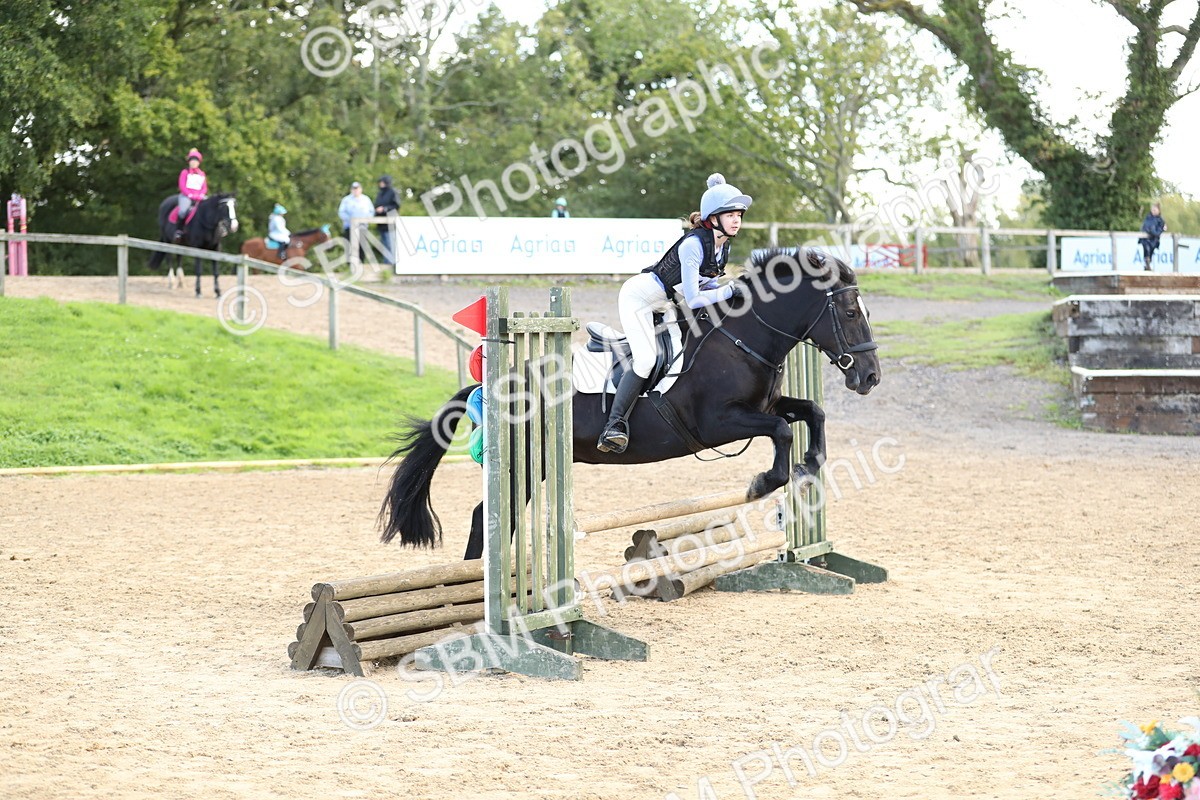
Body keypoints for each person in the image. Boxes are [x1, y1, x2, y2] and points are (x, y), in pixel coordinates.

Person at [596, 173, 750, 454]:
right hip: (638, 300)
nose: (736, 220)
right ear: (713, 218)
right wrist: (729, 290)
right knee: (646, 359)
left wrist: (733, 288)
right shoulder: (693, 245)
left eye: (739, 214)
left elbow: (709, 285)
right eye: (730, 215)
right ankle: (614, 425)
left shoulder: (722, 247)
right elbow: (694, 298)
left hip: (666, 304)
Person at [174, 148, 208, 242]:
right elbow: (182, 185)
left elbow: (204, 187)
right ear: (189, 162)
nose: (193, 163)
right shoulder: (185, 172)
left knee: (210, 206)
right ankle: (179, 230)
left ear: (198, 163)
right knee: (182, 211)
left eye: (195, 161)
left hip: (199, 197)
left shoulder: (202, 174)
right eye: (192, 161)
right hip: (187, 196)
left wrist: (201, 194)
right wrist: (189, 194)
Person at [338, 181, 374, 262]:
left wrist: (366, 220)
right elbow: (341, 212)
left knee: (362, 246)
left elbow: (371, 212)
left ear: (360, 189)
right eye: (354, 189)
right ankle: (350, 265)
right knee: (349, 245)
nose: (355, 190)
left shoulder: (366, 199)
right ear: (351, 190)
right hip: (350, 227)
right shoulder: (346, 200)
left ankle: (361, 263)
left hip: (362, 227)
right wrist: (351, 220)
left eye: (357, 189)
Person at [374, 175, 401, 266]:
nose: (380, 184)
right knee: (384, 245)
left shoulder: (393, 192)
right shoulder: (380, 193)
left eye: (382, 182)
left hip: (390, 224)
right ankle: (386, 264)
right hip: (381, 224)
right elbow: (376, 205)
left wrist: (384, 209)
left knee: (391, 244)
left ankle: (392, 265)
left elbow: (396, 206)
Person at [1141, 203, 1167, 271]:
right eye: (1152, 210)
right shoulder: (1148, 217)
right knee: (1146, 250)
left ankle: (1148, 265)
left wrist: (1155, 232)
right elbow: (1145, 227)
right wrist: (1153, 232)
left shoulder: (1160, 220)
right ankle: (1147, 264)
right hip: (1146, 239)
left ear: (1159, 210)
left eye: (1155, 210)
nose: (1153, 211)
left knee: (1151, 251)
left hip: (1154, 240)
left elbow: (1159, 230)